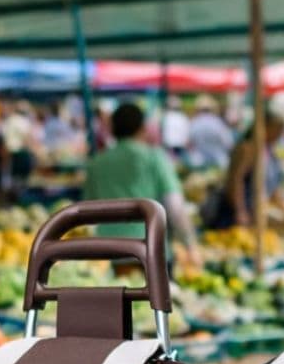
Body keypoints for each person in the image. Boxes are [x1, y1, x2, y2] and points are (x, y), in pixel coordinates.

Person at [83, 101, 200, 263]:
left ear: (112, 130)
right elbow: (175, 206)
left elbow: (88, 211)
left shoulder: (96, 163)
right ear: (142, 128)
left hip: (108, 254)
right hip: (150, 253)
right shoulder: (155, 158)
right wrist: (190, 246)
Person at [203, 112, 284, 230]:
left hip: (253, 211)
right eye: (277, 130)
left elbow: (274, 186)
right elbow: (235, 180)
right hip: (234, 214)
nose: (279, 135)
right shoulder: (248, 148)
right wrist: (240, 212)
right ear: (264, 127)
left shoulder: (267, 149)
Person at [187, 95, 233, 169]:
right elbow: (228, 143)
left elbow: (189, 143)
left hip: (199, 163)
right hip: (220, 162)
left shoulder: (194, 123)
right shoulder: (218, 123)